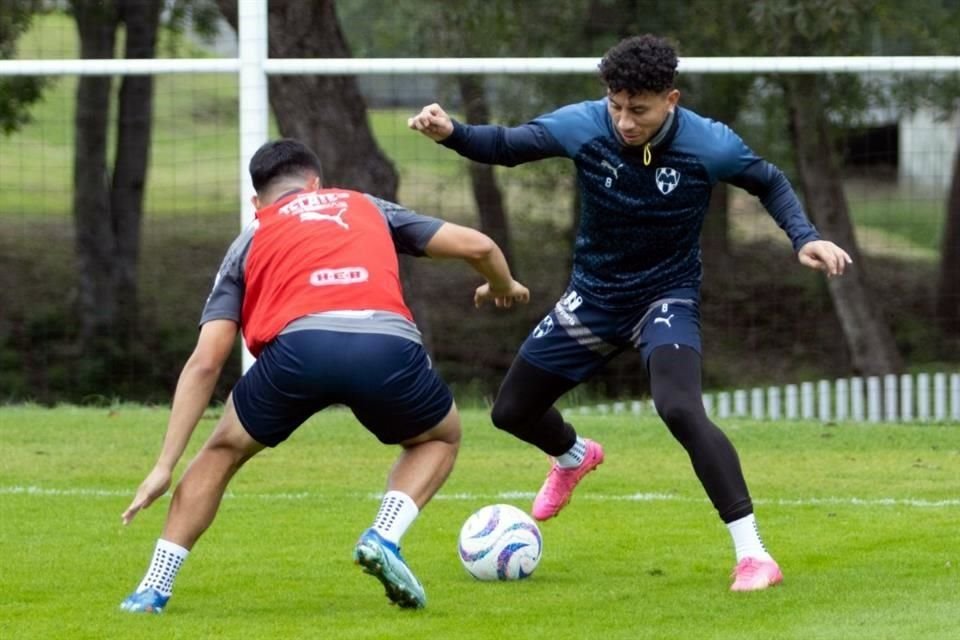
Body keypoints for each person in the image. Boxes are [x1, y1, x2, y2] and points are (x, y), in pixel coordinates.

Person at [408, 34, 852, 592]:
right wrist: (451, 133)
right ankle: (573, 457)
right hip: (595, 295)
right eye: (616, 106)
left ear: (671, 98)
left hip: (666, 296)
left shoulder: (708, 144)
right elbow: (507, 144)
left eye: (638, 110)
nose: (624, 122)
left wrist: (803, 237)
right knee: (512, 411)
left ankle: (753, 555)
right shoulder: (585, 124)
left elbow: (768, 180)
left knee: (679, 408)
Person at [118, 138, 530, 613]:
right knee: (439, 438)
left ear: (257, 202)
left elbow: (207, 361)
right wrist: (503, 284)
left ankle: (153, 589)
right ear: (317, 184)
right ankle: (384, 536)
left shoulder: (250, 238)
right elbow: (479, 245)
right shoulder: (365, 206)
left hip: (298, 352)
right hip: (386, 345)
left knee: (222, 452)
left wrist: (164, 466)